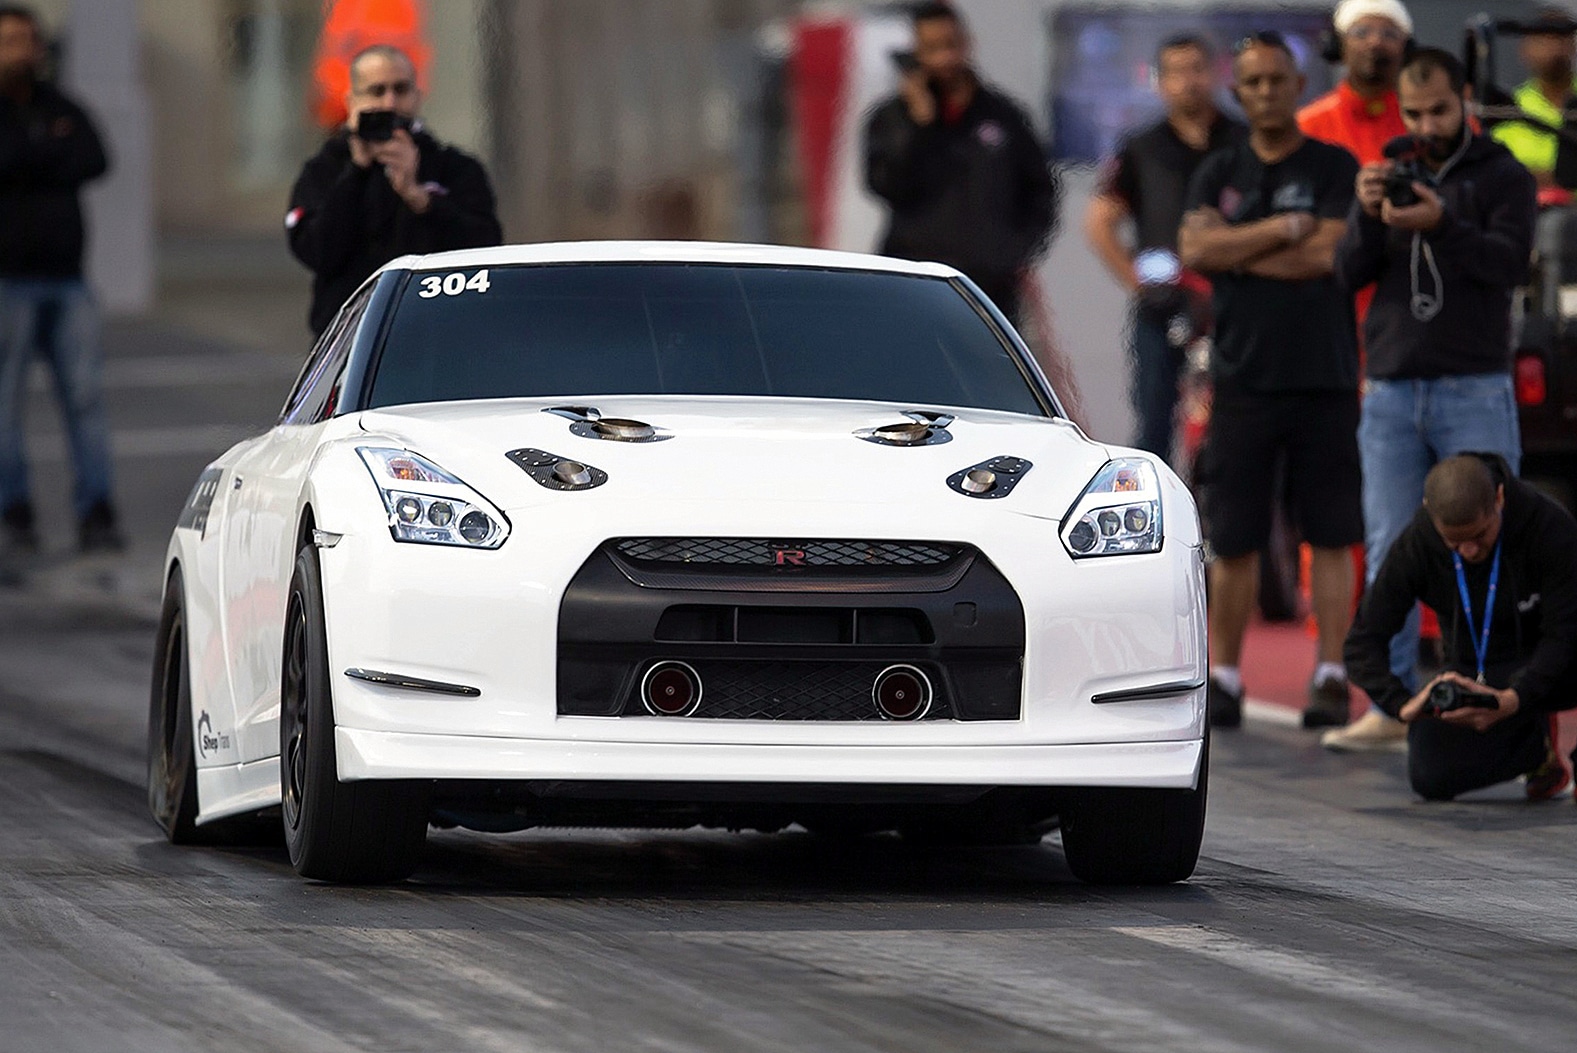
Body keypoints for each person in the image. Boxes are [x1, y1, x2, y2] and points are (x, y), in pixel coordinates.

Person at [1327, 48, 1538, 752]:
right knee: (1390, 543)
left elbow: (1509, 265)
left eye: (1439, 111)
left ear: (1466, 98)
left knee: (1493, 541)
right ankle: (1389, 706)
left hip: (1472, 381)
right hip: (1391, 383)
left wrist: (1442, 223)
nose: (1424, 126)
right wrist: (1367, 214)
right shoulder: (1394, 166)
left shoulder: (1503, 174)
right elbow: (1346, 272)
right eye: (1412, 113)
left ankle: (1495, 699)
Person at [1178, 32, 1362, 730]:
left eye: (1276, 80)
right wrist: (1284, 229)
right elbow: (1194, 248)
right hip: (1243, 380)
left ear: (1297, 85)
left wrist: (1238, 249)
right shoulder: (1218, 169)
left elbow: (1330, 254)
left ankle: (1331, 673)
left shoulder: (1333, 166)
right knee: (1235, 537)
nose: (1264, 92)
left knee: (1332, 532)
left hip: (1324, 377)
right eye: (1252, 82)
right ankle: (1224, 677)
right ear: (1238, 91)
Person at [1344, 454, 1577, 802]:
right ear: (1430, 512)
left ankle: (1535, 721)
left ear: (1499, 498)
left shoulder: (1547, 525)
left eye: (1480, 535)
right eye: (1454, 541)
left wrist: (1517, 697)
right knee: (1430, 776)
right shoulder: (1419, 542)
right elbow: (1362, 641)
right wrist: (1402, 705)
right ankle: (1537, 750)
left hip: (1556, 661)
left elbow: (1565, 633)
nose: (1468, 550)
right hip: (1480, 670)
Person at [1085, 34, 1244, 462]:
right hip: (1161, 309)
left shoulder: (1244, 141)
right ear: (1160, 82)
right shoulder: (1142, 147)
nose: (1188, 81)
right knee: (1153, 427)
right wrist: (1137, 282)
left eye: (1197, 69)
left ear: (1216, 74)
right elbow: (1099, 222)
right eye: (1176, 72)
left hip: (1236, 309)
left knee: (1239, 429)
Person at [0, 3, 120, 559]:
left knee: (85, 397)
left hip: (68, 280)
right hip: (8, 282)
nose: (19, 52)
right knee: (6, 404)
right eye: (7, 42)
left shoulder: (61, 105)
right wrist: (45, 153)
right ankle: (14, 511)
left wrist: (32, 158)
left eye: (26, 40)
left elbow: (96, 158)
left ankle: (97, 510)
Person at [287, 43, 501, 337]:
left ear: (417, 95)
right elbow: (315, 251)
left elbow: (485, 245)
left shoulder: (454, 168)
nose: (389, 103)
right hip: (351, 337)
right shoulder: (325, 170)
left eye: (400, 90)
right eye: (376, 91)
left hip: (437, 332)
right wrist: (356, 173)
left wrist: (422, 200)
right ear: (352, 101)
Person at [863, 2, 1058, 325]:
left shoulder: (1004, 116)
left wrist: (1012, 252)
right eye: (932, 48)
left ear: (967, 43)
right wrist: (918, 127)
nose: (945, 57)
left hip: (989, 288)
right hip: (914, 280)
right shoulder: (892, 119)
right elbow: (884, 184)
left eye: (950, 44)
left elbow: (1041, 192)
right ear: (917, 53)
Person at [1298, 0, 1411, 167]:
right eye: (1361, 32)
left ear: (1406, 48)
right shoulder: (1306, 126)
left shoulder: (1424, 122)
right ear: (1338, 45)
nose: (1375, 42)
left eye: (1389, 34)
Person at [1492, 7, 1577, 189]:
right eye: (1543, 40)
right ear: (1525, 49)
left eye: (1560, 38)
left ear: (1573, 45)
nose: (1553, 48)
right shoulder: (1506, 108)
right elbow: (1497, 170)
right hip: (1526, 203)